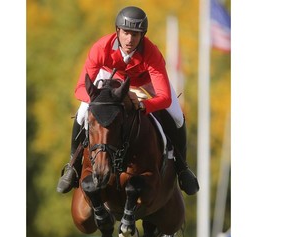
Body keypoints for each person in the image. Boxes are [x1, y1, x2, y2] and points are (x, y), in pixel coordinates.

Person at [57, 6, 199, 195]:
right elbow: (80, 89)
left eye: (135, 34)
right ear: (118, 31)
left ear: (142, 35)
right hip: (109, 76)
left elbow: (164, 97)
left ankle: (182, 168)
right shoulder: (101, 48)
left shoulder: (151, 53)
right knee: (83, 113)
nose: (130, 40)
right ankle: (73, 167)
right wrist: (101, 100)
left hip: (144, 80)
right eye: (126, 33)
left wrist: (141, 104)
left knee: (177, 116)